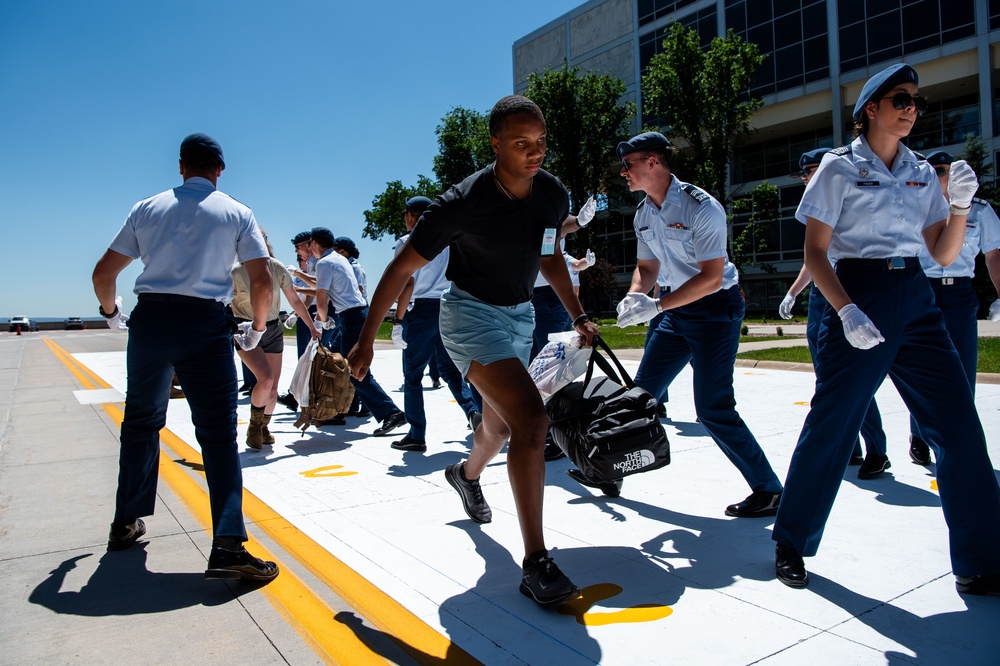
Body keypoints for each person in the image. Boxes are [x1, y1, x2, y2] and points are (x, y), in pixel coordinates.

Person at [349, 95, 601, 606]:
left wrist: (576, 313)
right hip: (469, 318)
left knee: (501, 424)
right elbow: (399, 271)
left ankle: (464, 475)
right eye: (521, 143)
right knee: (531, 420)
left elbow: (549, 254)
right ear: (495, 143)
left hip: (520, 315)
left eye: (541, 142)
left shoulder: (551, 194)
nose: (536, 153)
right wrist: (365, 341)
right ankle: (537, 563)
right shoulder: (460, 203)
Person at [772, 64, 1000, 596]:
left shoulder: (920, 171)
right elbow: (815, 253)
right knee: (834, 421)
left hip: (916, 296)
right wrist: (847, 312)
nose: (912, 108)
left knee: (959, 425)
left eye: (916, 101)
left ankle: (982, 559)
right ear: (869, 109)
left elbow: (942, 252)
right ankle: (790, 541)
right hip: (856, 291)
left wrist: (961, 207)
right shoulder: (837, 168)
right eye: (901, 98)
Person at [91, 133, 279, 581]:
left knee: (140, 422)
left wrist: (113, 313)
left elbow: (103, 274)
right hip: (204, 326)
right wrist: (255, 329)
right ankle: (228, 545)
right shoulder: (237, 212)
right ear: (219, 169)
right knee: (216, 435)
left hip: (151, 322)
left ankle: (125, 522)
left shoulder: (147, 208)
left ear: (181, 166)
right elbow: (262, 279)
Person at [611, 131, 784, 516]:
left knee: (712, 407)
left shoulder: (700, 207)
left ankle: (769, 489)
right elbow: (647, 266)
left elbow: (709, 277)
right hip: (676, 311)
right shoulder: (644, 214)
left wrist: (655, 307)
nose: (623, 173)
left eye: (629, 165)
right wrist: (635, 296)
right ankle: (611, 469)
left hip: (715, 311)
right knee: (639, 397)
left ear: (652, 162)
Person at [779, 148, 890, 478]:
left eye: (811, 169)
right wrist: (793, 292)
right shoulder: (816, 203)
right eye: (804, 173)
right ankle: (850, 446)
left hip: (846, 291)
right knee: (827, 377)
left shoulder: (847, 196)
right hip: (820, 296)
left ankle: (877, 450)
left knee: (851, 377)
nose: (807, 177)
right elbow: (813, 258)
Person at [906, 151, 1000, 465]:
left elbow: (994, 256)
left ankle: (960, 438)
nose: (937, 175)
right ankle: (919, 434)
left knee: (962, 370)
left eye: (943, 170)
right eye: (931, 170)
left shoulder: (980, 211)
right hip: (924, 292)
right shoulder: (915, 208)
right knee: (921, 368)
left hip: (959, 294)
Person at [388, 195, 480, 452]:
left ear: (410, 215)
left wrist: (398, 319)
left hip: (421, 312)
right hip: (449, 307)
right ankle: (473, 413)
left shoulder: (407, 242)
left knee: (413, 375)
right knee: (451, 370)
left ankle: (417, 433)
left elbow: (406, 282)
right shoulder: (450, 242)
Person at [312, 226, 407, 436]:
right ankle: (341, 410)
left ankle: (391, 413)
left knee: (355, 370)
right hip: (354, 316)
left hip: (352, 318)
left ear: (315, 244)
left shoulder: (324, 263)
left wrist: (323, 321)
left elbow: (321, 298)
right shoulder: (339, 259)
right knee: (340, 364)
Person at [231, 231, 320, 449]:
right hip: (245, 329)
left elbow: (295, 301)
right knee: (266, 379)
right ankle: (254, 426)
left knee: (273, 388)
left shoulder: (276, 267)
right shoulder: (234, 271)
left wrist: (311, 326)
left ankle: (264, 427)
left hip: (272, 330)